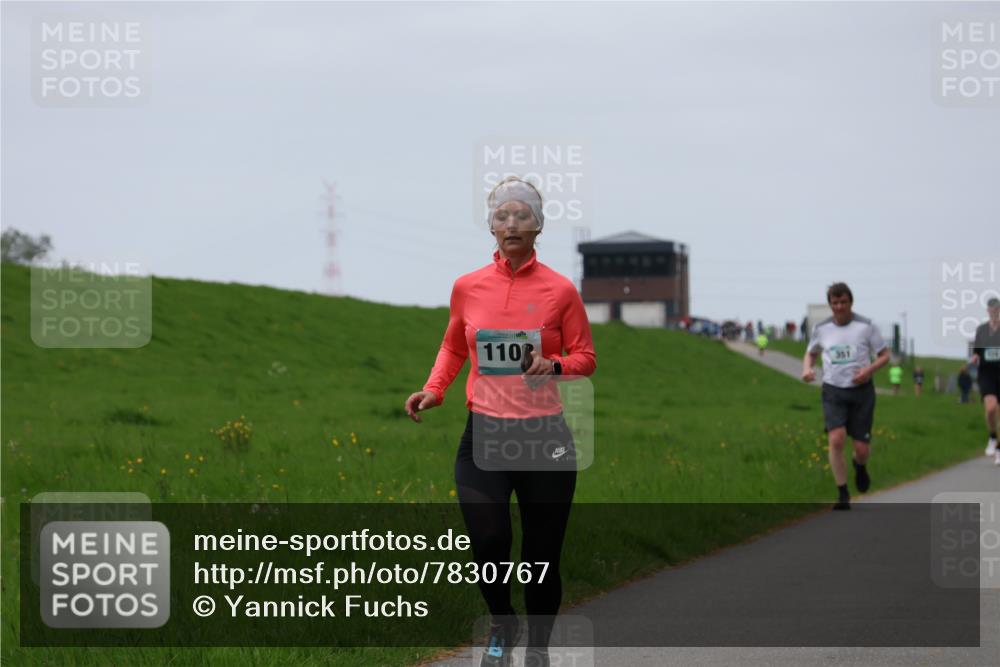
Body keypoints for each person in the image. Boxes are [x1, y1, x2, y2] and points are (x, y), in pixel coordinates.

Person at [404, 176, 596, 667]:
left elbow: (586, 357)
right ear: (491, 226)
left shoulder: (560, 290)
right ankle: (500, 624)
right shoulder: (467, 287)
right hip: (484, 433)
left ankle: (537, 649)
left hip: (544, 438)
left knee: (540, 557)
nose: (511, 224)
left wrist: (553, 365)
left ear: (538, 226)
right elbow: (452, 345)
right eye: (501, 216)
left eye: (522, 215)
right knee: (488, 539)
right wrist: (435, 389)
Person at [801, 282, 889, 510]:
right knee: (836, 439)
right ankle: (842, 493)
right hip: (833, 390)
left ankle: (860, 466)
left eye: (843, 302)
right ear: (830, 304)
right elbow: (810, 354)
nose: (839, 307)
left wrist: (868, 371)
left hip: (862, 392)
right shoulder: (821, 328)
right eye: (835, 303)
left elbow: (884, 355)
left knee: (861, 449)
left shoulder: (866, 326)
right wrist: (807, 369)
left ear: (851, 302)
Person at [971, 297, 1000, 465]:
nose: (994, 311)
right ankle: (992, 437)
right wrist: (974, 358)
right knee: (990, 409)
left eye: (997, 309)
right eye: (991, 309)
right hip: (987, 373)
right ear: (988, 311)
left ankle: (999, 450)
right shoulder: (981, 330)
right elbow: (976, 351)